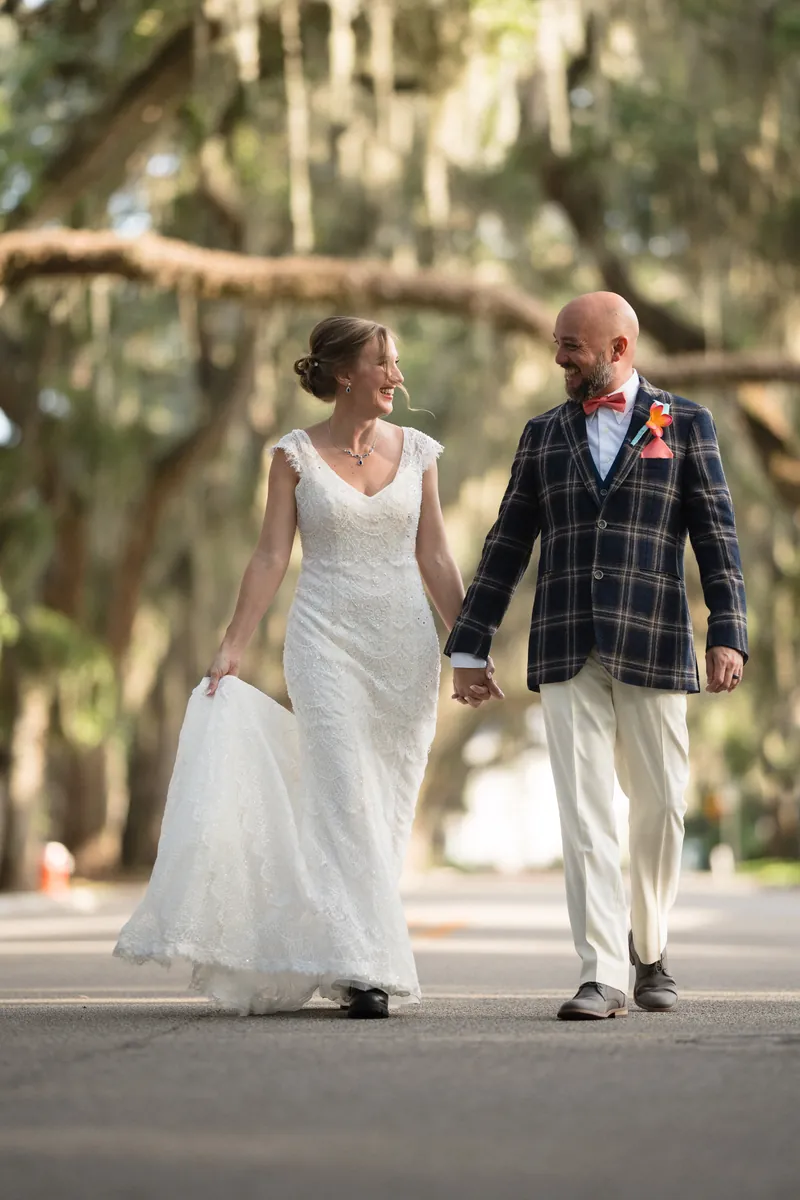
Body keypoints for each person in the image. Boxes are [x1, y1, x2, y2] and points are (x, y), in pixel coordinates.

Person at [114, 316, 468, 1018]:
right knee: (342, 792)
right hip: (324, 642)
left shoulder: (421, 453)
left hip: (403, 649)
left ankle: (346, 951)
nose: (398, 376)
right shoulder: (294, 456)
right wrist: (232, 643)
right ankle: (366, 969)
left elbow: (434, 557)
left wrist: (470, 646)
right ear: (346, 375)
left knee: (387, 804)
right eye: (385, 363)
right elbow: (271, 555)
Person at [445, 291, 747, 1020]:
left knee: (663, 808)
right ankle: (602, 971)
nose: (558, 358)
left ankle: (650, 948)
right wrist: (468, 642)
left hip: (654, 637)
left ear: (618, 348)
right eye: (556, 343)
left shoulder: (685, 424)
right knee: (585, 814)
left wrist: (728, 630)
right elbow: (507, 544)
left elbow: (717, 537)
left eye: (571, 346)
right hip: (565, 640)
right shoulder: (542, 434)